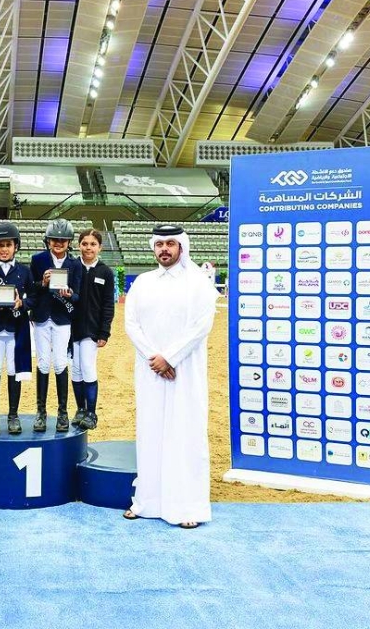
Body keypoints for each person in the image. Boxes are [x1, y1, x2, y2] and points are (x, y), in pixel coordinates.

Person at [123, 225, 218, 529]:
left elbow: (201, 326)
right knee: (150, 434)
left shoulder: (198, 283)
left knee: (184, 434)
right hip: (151, 370)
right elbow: (132, 325)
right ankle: (146, 502)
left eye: (170, 244)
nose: (164, 249)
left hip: (184, 373)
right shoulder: (143, 282)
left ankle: (187, 507)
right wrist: (156, 358)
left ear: (181, 247)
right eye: (159, 244)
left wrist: (171, 357)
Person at [0, 222, 36, 435]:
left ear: (15, 246)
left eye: (8, 245)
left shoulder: (24, 272)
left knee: (13, 370)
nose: (4, 249)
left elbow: (35, 298)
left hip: (15, 328)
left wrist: (23, 304)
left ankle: (13, 415)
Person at [29, 219, 80, 432]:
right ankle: (41, 412)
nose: (58, 243)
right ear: (48, 241)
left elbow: (78, 295)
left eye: (63, 240)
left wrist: (70, 294)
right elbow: (31, 289)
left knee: (60, 363)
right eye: (54, 240)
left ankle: (62, 412)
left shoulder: (75, 264)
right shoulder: (37, 260)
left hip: (62, 318)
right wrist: (42, 283)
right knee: (42, 363)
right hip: (41, 316)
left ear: (69, 243)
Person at [70, 229, 115, 430]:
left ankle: (91, 412)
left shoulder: (105, 272)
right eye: (84, 243)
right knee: (76, 370)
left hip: (92, 329)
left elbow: (108, 305)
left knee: (88, 368)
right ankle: (80, 409)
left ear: (100, 247)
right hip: (72, 328)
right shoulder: (72, 267)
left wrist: (104, 332)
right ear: (78, 245)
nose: (88, 247)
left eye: (93, 244)